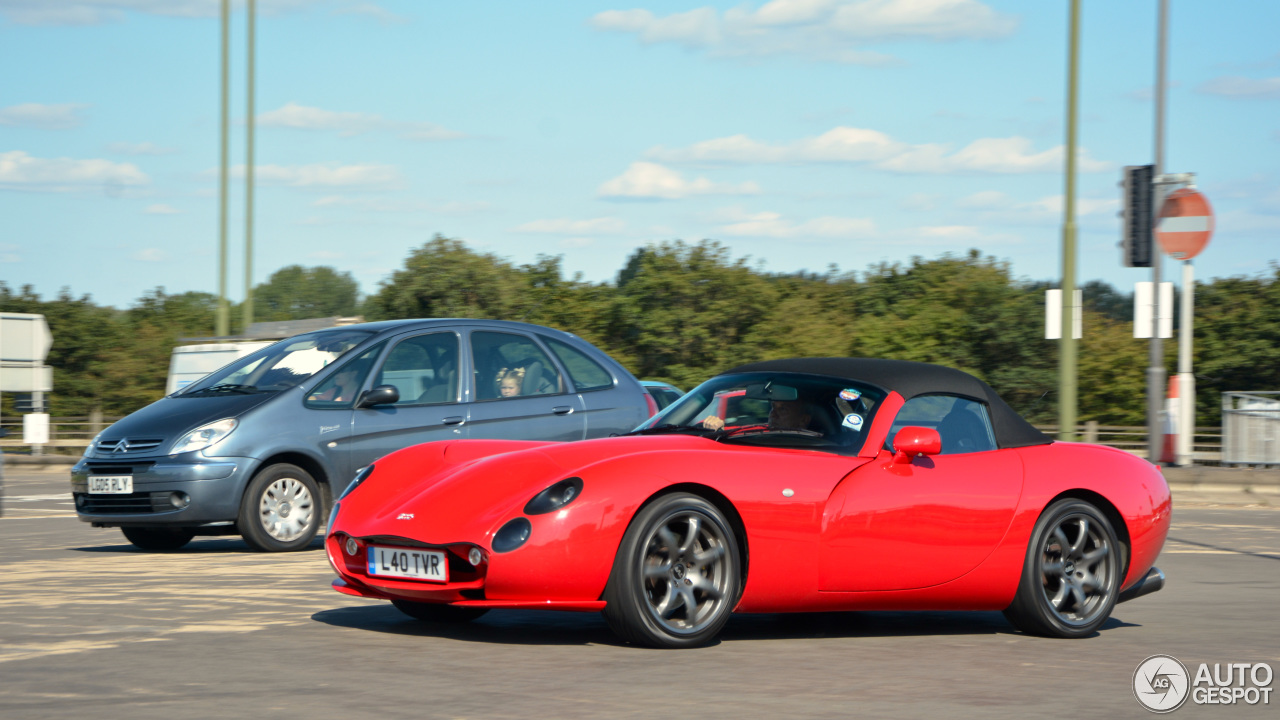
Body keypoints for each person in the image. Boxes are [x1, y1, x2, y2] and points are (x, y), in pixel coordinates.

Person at [701, 399, 811, 432]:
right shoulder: (757, 432)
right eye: (773, 407)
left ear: (803, 420)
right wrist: (720, 429)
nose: (773, 414)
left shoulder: (815, 447)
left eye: (782, 409)